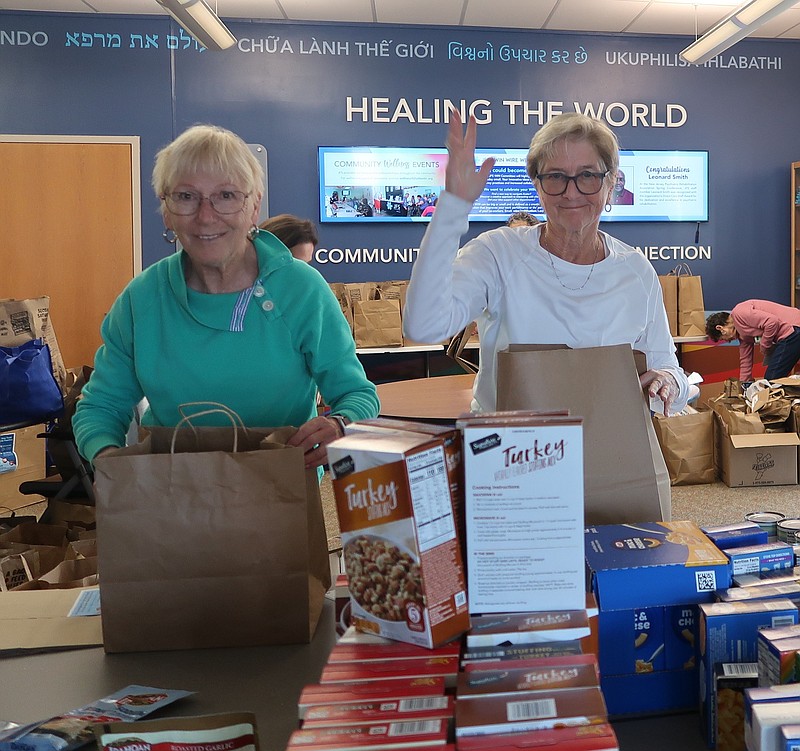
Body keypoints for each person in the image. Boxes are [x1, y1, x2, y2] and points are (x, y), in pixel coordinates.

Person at [73, 124, 379, 469]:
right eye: (186, 196)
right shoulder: (141, 300)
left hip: (284, 493)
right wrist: (109, 461)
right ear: (166, 211)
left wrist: (339, 423)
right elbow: (101, 405)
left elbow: (358, 394)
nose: (206, 216)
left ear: (253, 206)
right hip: (171, 497)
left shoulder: (301, 290)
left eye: (226, 195)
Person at [403, 110, 689, 415]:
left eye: (587, 175)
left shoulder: (635, 272)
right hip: (508, 454)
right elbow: (423, 326)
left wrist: (669, 380)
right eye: (555, 177)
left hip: (606, 453)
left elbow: (667, 367)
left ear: (610, 184)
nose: (571, 191)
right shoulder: (498, 254)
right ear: (538, 186)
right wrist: (452, 208)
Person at [706, 300, 800, 382]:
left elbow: (772, 322)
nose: (727, 340)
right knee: (773, 379)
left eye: (723, 338)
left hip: (793, 329)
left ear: (720, 328)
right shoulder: (742, 335)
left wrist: (765, 347)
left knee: (772, 380)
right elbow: (745, 360)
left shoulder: (739, 313)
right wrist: (743, 384)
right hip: (791, 333)